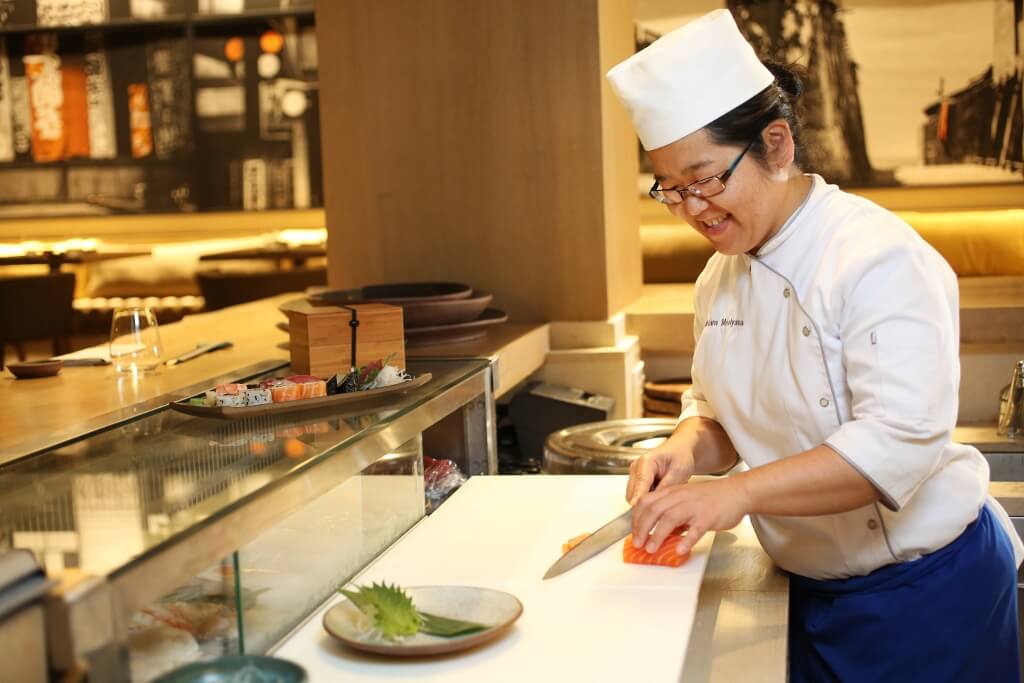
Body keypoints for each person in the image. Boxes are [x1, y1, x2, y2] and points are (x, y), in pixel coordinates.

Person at [606, 9, 1023, 682]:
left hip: (927, 593)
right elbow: (717, 410)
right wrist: (684, 448)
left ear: (776, 146)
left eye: (706, 178)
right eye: (672, 190)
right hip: (806, 588)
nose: (693, 209)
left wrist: (734, 497)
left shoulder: (875, 257)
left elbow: (895, 445)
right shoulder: (719, 278)